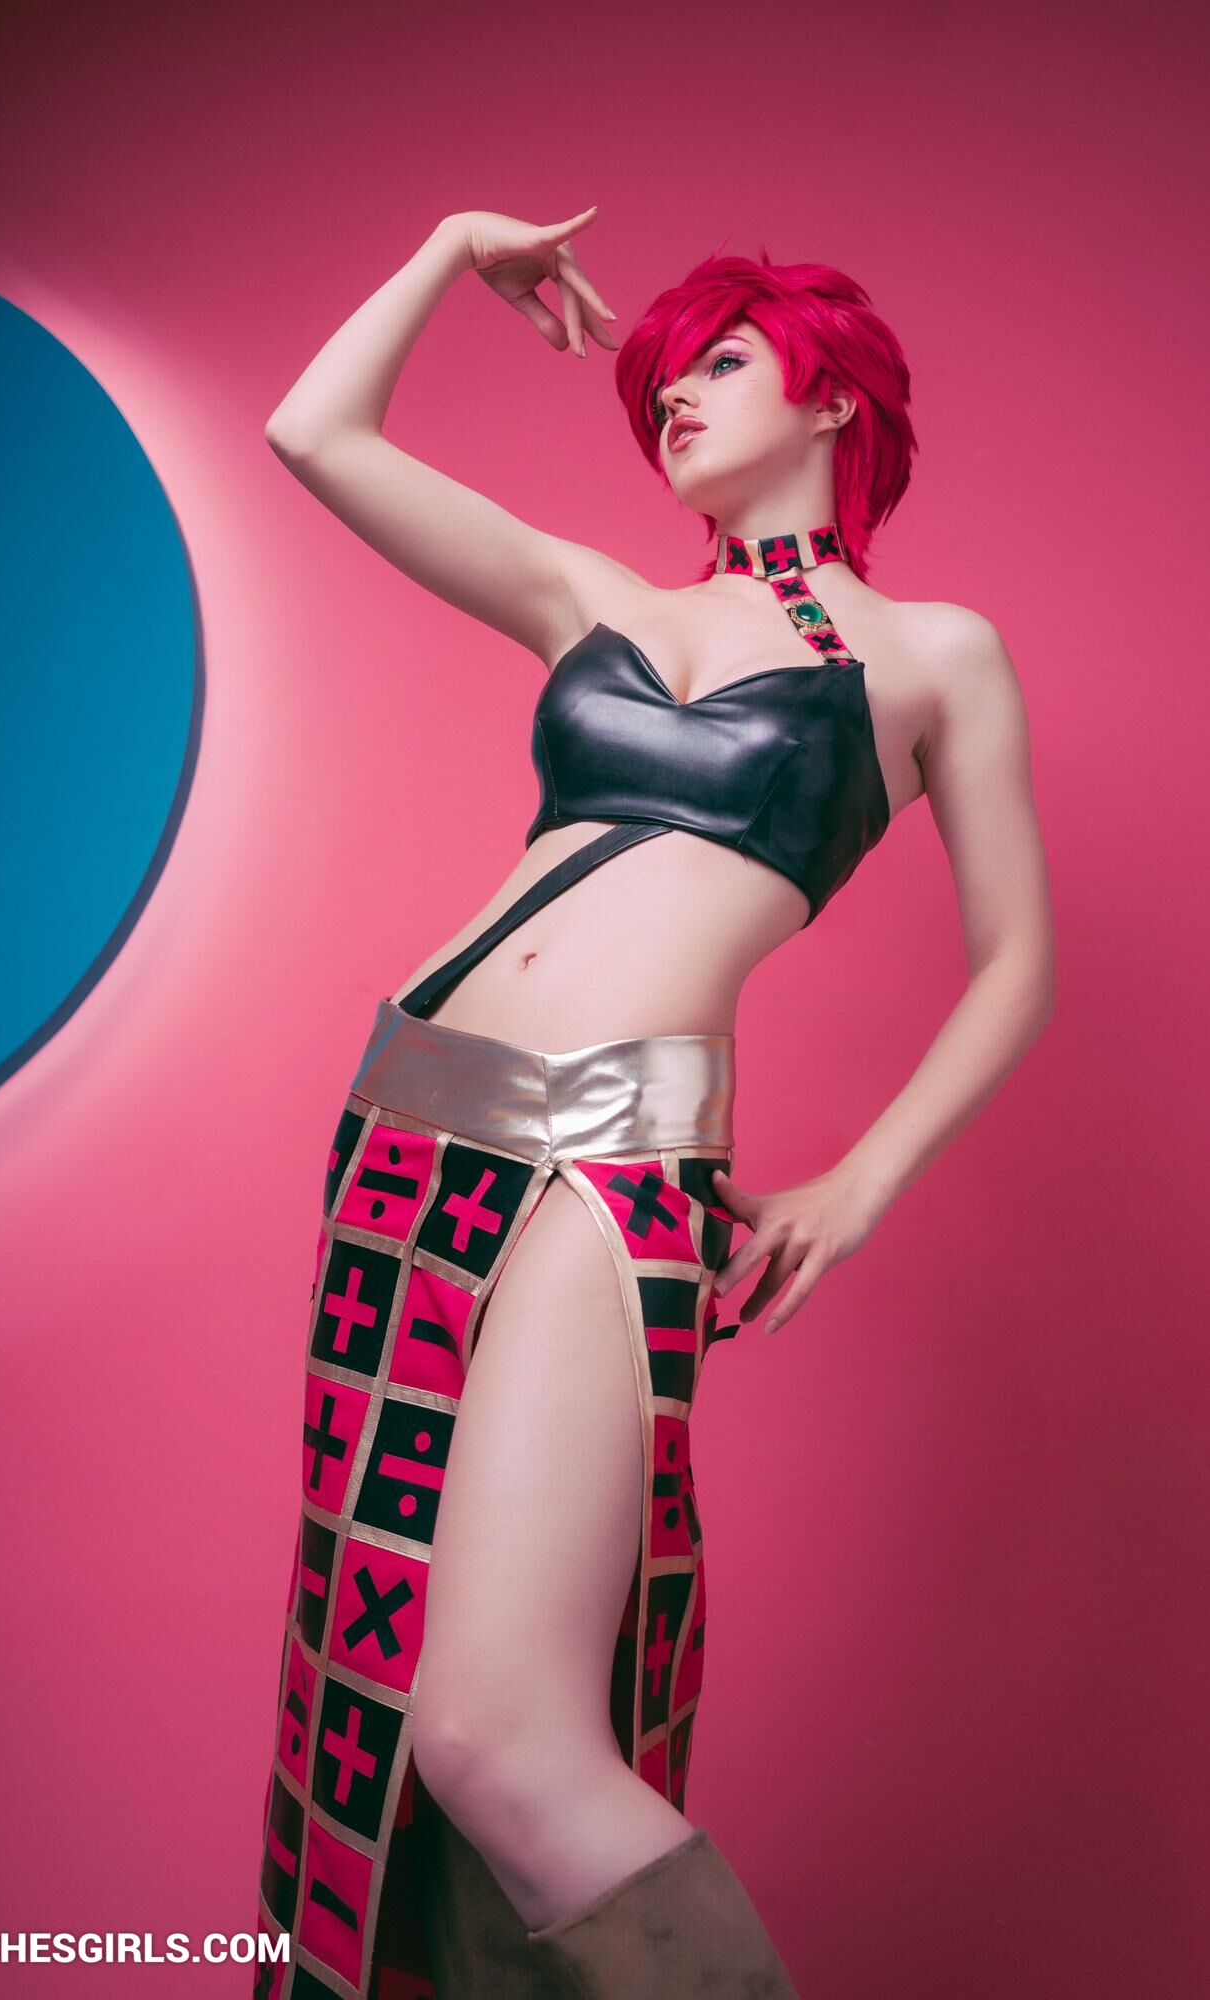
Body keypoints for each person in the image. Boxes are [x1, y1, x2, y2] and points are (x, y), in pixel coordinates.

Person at [251, 206, 1056, 2000]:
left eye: (722, 362)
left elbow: (1017, 961)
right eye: (662, 379)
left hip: (613, 1144)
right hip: (410, 1120)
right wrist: (450, 247)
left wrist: (858, 1181)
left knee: (496, 1732)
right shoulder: (594, 597)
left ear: (832, 400)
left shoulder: (936, 655)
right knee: (376, 1702)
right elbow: (315, 435)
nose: (676, 396)